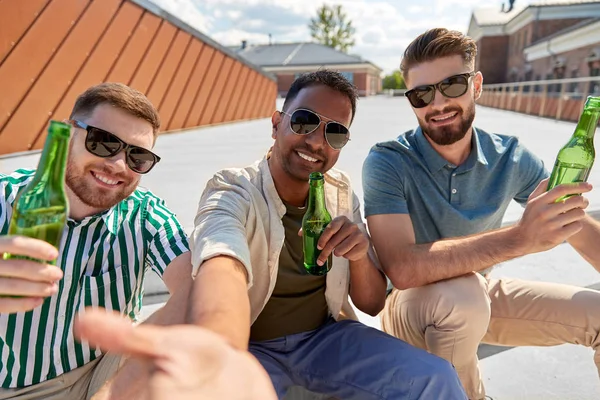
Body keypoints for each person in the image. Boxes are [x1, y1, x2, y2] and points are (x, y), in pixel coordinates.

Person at [187, 70, 467, 399]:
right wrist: (221, 345)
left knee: (435, 377)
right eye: (305, 121)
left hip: (324, 338)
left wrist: (360, 255)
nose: (318, 142)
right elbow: (221, 254)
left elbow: (373, 304)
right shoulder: (234, 188)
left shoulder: (341, 194)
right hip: (250, 347)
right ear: (276, 124)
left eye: (335, 133)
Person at [362, 28, 600, 400]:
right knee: (464, 295)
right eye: (422, 94)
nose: (437, 104)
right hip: (408, 306)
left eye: (452, 85)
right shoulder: (389, 161)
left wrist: (551, 225)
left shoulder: (510, 157)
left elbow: (575, 225)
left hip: (476, 295)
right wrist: (520, 238)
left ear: (476, 84)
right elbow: (402, 269)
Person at [0, 83, 192, 400]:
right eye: (103, 142)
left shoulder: (145, 216)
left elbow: (194, 289)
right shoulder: (5, 198)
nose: (117, 165)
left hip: (98, 379)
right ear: (66, 134)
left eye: (138, 157)